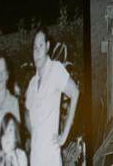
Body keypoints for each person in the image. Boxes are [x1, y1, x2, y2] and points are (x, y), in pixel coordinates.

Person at [25, 29, 79, 166]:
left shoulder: (55, 69)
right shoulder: (32, 83)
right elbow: (28, 113)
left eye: (40, 45)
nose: (37, 51)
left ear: (48, 46)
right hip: (35, 157)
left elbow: (75, 93)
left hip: (50, 157)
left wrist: (64, 136)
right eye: (34, 47)